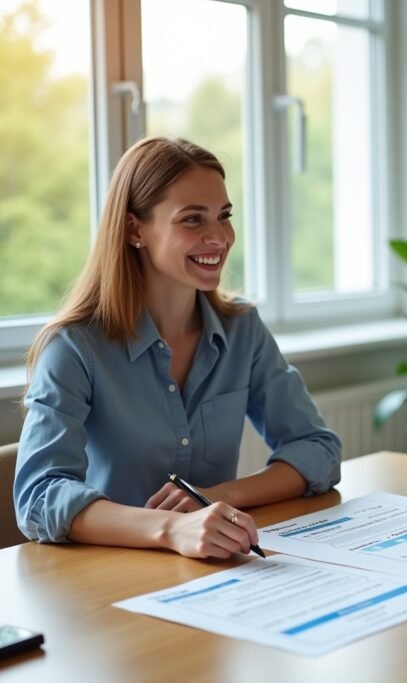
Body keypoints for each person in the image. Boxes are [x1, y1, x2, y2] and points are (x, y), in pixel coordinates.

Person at [14, 137, 341, 559]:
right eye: (192, 219)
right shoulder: (74, 346)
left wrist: (215, 498)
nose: (219, 237)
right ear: (135, 229)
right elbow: (39, 496)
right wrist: (171, 527)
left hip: (210, 567)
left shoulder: (242, 329)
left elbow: (318, 449)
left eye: (224, 216)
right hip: (107, 575)